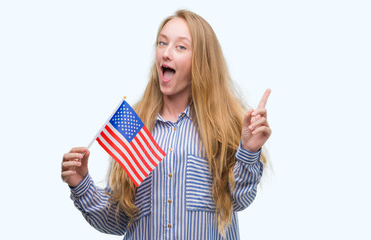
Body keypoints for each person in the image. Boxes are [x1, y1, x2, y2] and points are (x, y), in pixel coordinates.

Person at [61, 9, 271, 239]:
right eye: (162, 43)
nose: (166, 54)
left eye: (180, 47)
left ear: (202, 60)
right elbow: (119, 219)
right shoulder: (134, 126)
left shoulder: (224, 126)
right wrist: (80, 183)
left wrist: (249, 150)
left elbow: (239, 199)